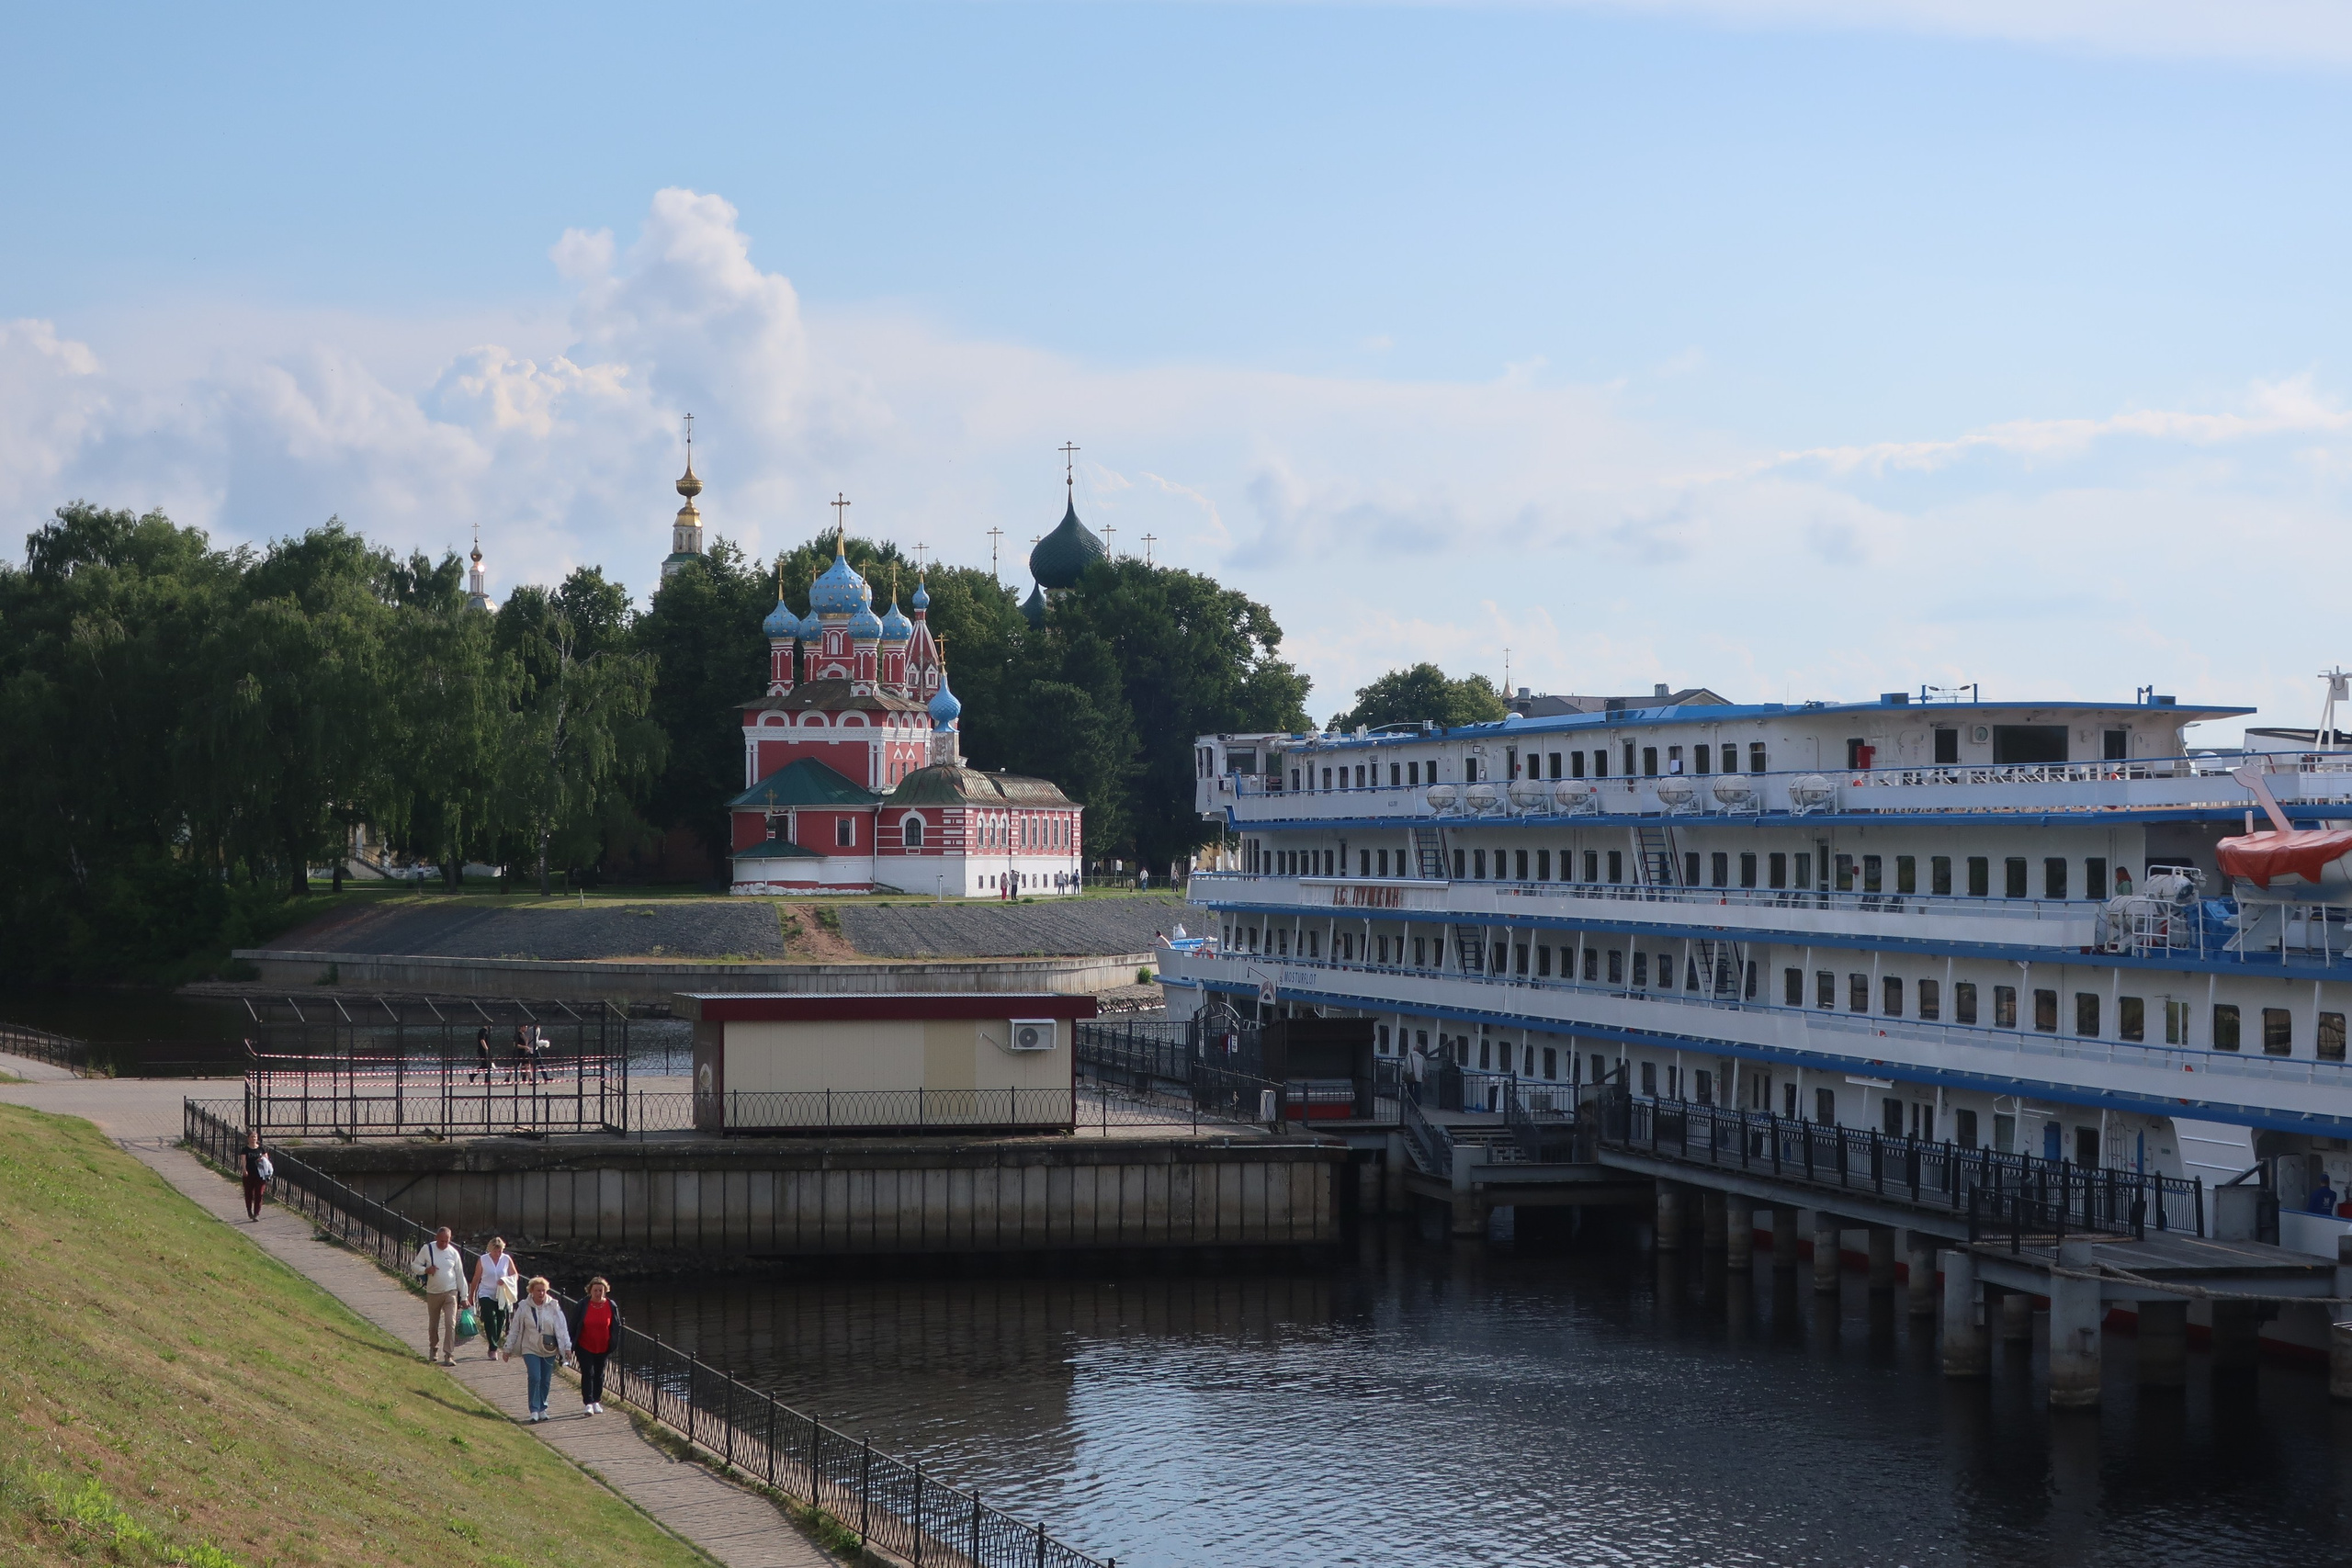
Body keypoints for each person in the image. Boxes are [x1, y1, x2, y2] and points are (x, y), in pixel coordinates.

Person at [500, 1275, 573, 1422]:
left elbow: (561, 1328)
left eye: (544, 1291)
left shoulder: (553, 1306)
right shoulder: (524, 1307)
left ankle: (542, 1408)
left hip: (548, 1348)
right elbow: (515, 1328)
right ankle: (533, 1409)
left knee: (545, 1379)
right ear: (531, 1291)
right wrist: (507, 1348)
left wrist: (566, 1347)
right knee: (535, 1377)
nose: (541, 1293)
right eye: (538, 1290)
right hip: (530, 1347)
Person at [411, 1225, 467, 1366]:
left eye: (446, 1241)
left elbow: (460, 1275)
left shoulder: (453, 1253)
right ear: (436, 1238)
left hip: (450, 1292)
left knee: (450, 1323)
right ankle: (433, 1348)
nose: (443, 1244)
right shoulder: (427, 1249)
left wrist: (464, 1296)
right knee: (433, 1323)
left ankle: (448, 1354)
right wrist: (426, 1270)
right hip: (433, 1293)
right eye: (441, 1241)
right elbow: (414, 1266)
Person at [573, 1278, 619, 1414]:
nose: (598, 1293)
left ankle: (596, 1401)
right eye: (595, 1290)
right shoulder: (583, 1305)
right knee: (588, 1372)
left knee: (599, 1373)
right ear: (590, 1291)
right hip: (584, 1345)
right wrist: (569, 1344)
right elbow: (574, 1324)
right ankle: (588, 1402)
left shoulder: (611, 1305)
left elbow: (616, 1326)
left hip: (603, 1346)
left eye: (601, 1290)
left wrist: (613, 1342)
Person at [470, 1236, 519, 1361]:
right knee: (490, 1318)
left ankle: (494, 1342)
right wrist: (471, 1295)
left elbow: (515, 1275)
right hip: (485, 1292)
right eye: (496, 1251)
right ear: (491, 1249)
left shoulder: (506, 1259)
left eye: (500, 1251)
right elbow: (476, 1277)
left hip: (501, 1295)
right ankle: (493, 1348)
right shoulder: (483, 1260)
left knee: (500, 1319)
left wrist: (505, 1280)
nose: (498, 1254)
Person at [239, 1128, 273, 1221]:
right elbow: (243, 1160)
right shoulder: (245, 1149)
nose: (254, 1139)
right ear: (248, 1138)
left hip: (260, 1175)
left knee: (259, 1194)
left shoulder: (261, 1149)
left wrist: (262, 1161)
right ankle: (249, 1210)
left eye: (255, 1137)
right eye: (252, 1137)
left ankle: (257, 1213)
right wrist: (244, 1169)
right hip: (249, 1174)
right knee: (248, 1193)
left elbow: (267, 1161)